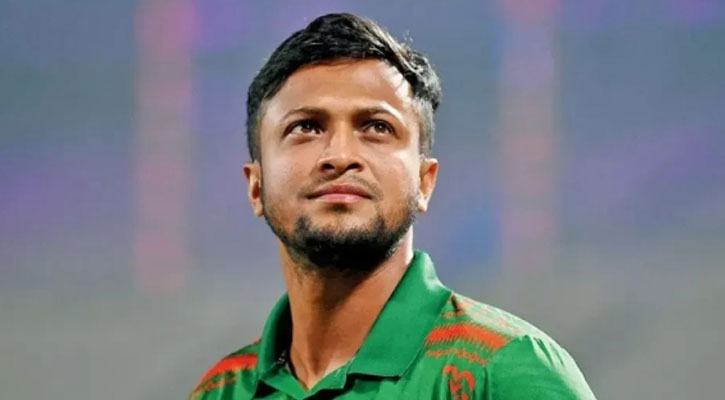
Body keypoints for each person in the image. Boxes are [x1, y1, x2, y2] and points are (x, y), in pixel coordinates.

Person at [190, 12, 596, 400]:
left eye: (376, 127)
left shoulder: (506, 373)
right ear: (256, 185)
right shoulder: (222, 391)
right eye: (306, 127)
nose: (340, 155)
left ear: (424, 181)